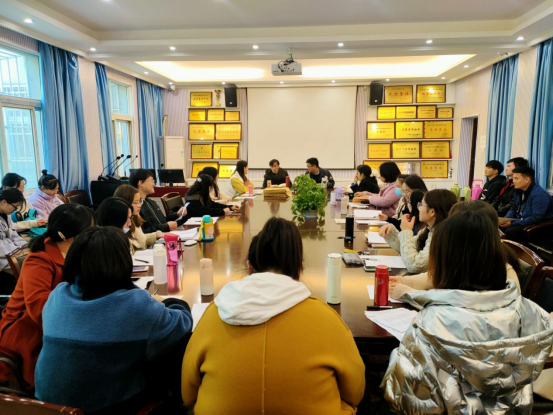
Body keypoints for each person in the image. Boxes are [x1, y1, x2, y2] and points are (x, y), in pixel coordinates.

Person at [182, 217, 365, 414]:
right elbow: (355, 392)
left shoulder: (213, 314)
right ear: (299, 270)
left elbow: (188, 394)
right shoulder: (327, 319)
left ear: (249, 267)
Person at [381, 210, 553, 414]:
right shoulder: (532, 312)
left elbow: (407, 399)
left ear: (447, 263)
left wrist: (396, 357)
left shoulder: (432, 323)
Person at [35, 227, 193, 414]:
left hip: (46, 405)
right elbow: (182, 323)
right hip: (102, 407)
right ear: (123, 261)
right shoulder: (134, 305)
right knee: (175, 348)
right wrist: (170, 302)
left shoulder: (57, 295)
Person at [0, 204, 95, 386]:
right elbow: (39, 309)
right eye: (89, 231)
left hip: (56, 321)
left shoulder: (73, 251)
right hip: (28, 329)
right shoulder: (39, 260)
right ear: (68, 235)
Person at [388, 200, 522, 299]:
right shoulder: (468, 255)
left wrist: (411, 293)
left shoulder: (503, 269)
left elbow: (464, 303)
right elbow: (441, 276)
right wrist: (404, 281)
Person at [379, 189, 458, 273]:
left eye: (421, 204)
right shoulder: (428, 229)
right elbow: (407, 249)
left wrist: (406, 231)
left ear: (432, 212)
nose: (419, 208)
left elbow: (416, 266)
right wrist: (391, 232)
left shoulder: (441, 236)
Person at [500, 166, 553, 244]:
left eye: (516, 178)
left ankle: (512, 251)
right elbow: (513, 208)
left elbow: (536, 218)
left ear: (527, 179)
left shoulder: (539, 194)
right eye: (513, 178)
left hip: (538, 226)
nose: (513, 181)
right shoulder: (518, 191)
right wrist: (505, 219)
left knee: (511, 231)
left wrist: (512, 223)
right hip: (522, 221)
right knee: (498, 226)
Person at [129, 168, 186, 233]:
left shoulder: (150, 202)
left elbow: (162, 221)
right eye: (151, 181)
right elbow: (142, 232)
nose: (154, 184)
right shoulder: (135, 207)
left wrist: (177, 214)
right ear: (141, 183)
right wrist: (166, 227)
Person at [114, 184, 163, 253]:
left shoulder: (134, 218)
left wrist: (155, 235)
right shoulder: (122, 225)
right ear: (125, 203)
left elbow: (140, 239)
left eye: (140, 201)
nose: (139, 205)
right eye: (136, 202)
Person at [1, 173, 47, 238]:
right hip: (21, 233)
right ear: (7, 188)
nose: (22, 191)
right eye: (20, 188)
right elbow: (11, 228)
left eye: (23, 187)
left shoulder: (22, 201)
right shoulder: (6, 206)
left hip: (28, 232)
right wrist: (32, 223)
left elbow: (33, 214)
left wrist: (37, 221)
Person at [0, 188, 28, 273]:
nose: (15, 210)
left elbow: (13, 235)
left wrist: (25, 247)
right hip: (3, 258)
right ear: (3, 202)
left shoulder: (6, 214)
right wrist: (17, 252)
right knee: (29, 267)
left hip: (11, 252)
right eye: (15, 207)